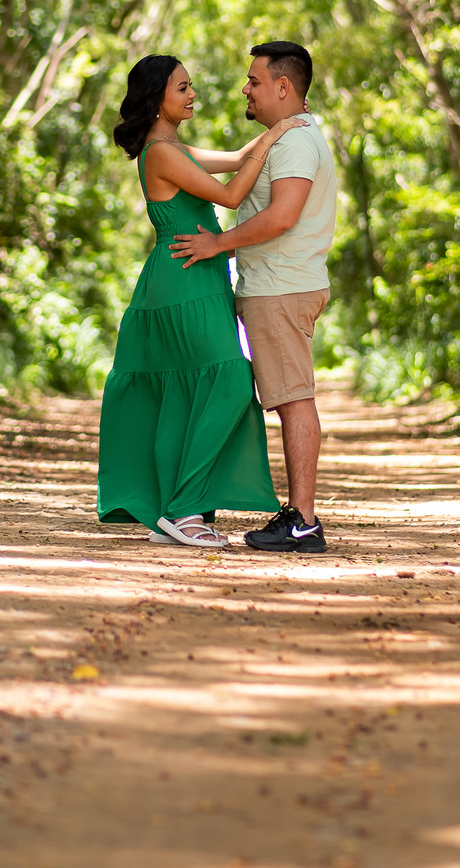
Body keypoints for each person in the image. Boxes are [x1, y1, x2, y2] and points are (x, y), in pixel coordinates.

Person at [96, 54, 308, 548]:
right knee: (231, 380)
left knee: (198, 389)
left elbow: (237, 159)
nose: (193, 95)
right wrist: (277, 138)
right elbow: (233, 195)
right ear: (156, 98)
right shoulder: (161, 152)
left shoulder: (174, 147)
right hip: (182, 280)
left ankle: (181, 511)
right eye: (183, 88)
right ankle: (185, 511)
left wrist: (285, 128)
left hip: (203, 276)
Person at [169, 41, 337, 553]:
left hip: (282, 289)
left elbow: (283, 214)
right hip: (274, 287)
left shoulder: (295, 144)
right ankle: (270, 508)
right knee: (273, 394)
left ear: (284, 87)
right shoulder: (284, 138)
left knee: (293, 399)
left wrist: (218, 243)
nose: (246, 88)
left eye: (255, 81)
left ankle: (303, 521)